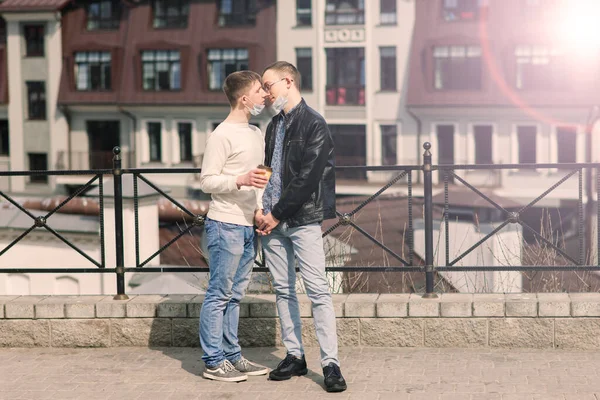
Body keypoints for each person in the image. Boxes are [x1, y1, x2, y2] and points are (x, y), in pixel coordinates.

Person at [255, 61, 347, 393]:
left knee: (318, 292)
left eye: (268, 86)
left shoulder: (315, 124)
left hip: (302, 219)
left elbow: (308, 179)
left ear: (288, 81)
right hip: (271, 221)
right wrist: (260, 208)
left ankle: (330, 364)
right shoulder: (273, 126)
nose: (265, 93)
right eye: (263, 88)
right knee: (283, 290)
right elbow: (267, 171)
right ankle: (295, 355)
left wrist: (276, 213)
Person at [198, 70, 270, 382]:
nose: (264, 94)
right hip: (224, 224)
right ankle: (213, 362)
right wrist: (239, 180)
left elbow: (261, 180)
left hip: (246, 225)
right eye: (258, 90)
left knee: (235, 295)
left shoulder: (256, 133)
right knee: (219, 293)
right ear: (244, 99)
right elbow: (207, 181)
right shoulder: (221, 135)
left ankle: (232, 356)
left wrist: (260, 208)